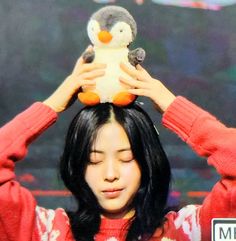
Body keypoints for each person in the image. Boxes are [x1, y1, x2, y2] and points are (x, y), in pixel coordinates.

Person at [0, 50, 236, 241]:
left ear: (147, 160)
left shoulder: (187, 231)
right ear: (77, 166)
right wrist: (52, 105)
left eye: (126, 158)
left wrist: (170, 104)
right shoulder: (47, 232)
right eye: (94, 160)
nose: (110, 174)